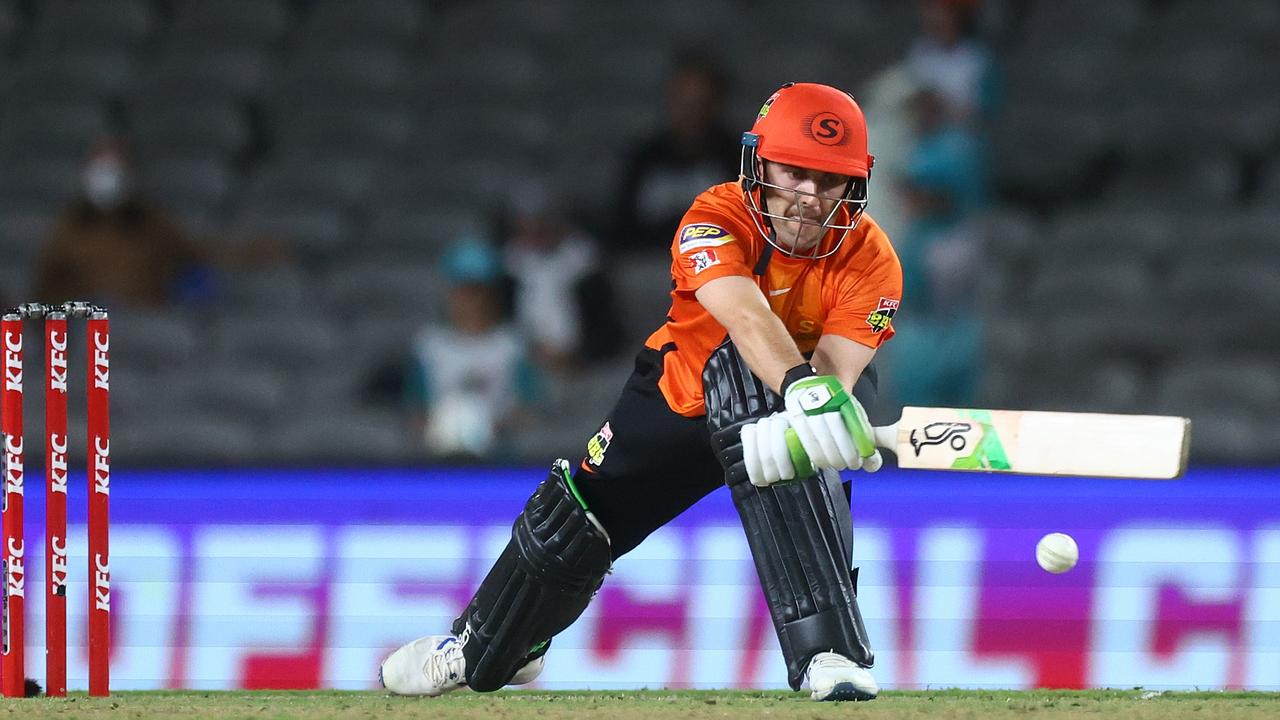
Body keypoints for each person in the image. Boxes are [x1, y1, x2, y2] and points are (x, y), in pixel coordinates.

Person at [381, 83, 903, 702]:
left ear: (855, 183)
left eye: (829, 180)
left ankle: (831, 654)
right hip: (679, 397)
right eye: (795, 173)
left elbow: (838, 367)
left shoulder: (873, 258)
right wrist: (802, 389)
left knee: (788, 439)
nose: (810, 198)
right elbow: (743, 316)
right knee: (571, 528)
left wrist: (827, 411)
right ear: (759, 162)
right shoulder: (713, 216)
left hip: (774, 419)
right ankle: (480, 646)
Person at [33, 136, 211, 309]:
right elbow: (46, 285)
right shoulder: (70, 225)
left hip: (144, 323)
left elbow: (194, 253)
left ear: (130, 173)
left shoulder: (154, 221)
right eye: (100, 167)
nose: (106, 176)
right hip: (86, 327)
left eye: (114, 168)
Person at [403, 238, 541, 460]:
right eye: (461, 290)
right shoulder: (429, 345)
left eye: (477, 291)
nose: (470, 301)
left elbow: (533, 407)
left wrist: (492, 427)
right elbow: (414, 408)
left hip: (502, 456)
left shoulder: (513, 344)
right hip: (437, 456)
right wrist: (440, 427)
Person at [613, 51, 739, 251]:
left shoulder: (735, 158)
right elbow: (621, 226)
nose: (690, 112)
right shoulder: (643, 158)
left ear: (716, 103)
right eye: (682, 101)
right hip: (648, 264)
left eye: (700, 102)